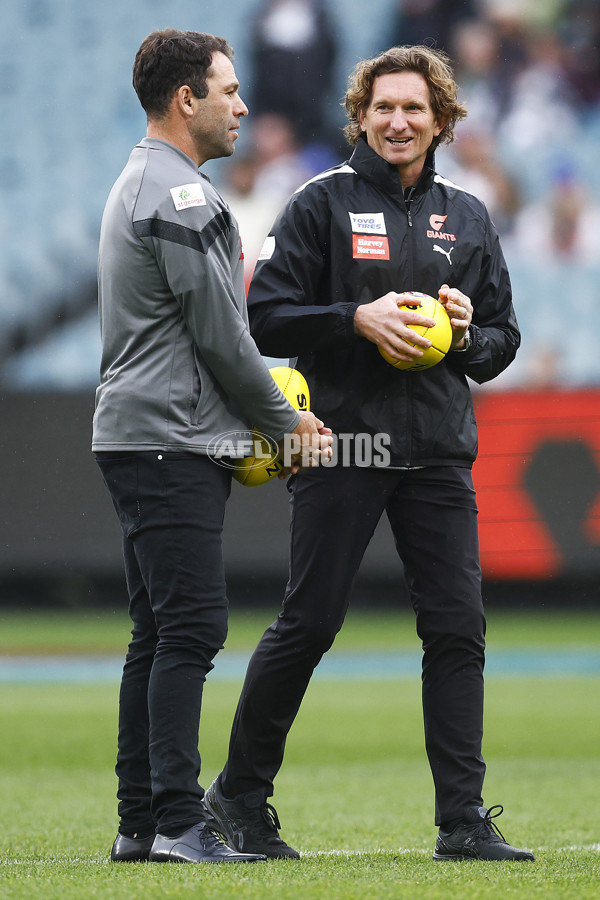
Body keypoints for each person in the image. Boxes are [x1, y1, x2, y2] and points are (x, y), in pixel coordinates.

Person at [203, 45, 535, 863]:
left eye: (415, 109)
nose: (398, 121)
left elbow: (502, 341)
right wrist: (356, 318)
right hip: (344, 443)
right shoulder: (318, 203)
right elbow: (266, 316)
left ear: (442, 121)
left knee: (458, 629)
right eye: (383, 107)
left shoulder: (468, 213)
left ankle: (462, 821)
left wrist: (464, 333)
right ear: (359, 115)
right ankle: (237, 798)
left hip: (439, 451)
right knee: (310, 621)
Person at [92, 28, 331, 865]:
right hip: (167, 438)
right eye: (228, 90)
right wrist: (285, 421)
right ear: (185, 98)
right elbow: (223, 337)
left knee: (157, 631)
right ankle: (177, 823)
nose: (242, 105)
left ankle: (138, 821)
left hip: (140, 432)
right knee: (191, 625)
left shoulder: (145, 180)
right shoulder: (182, 195)